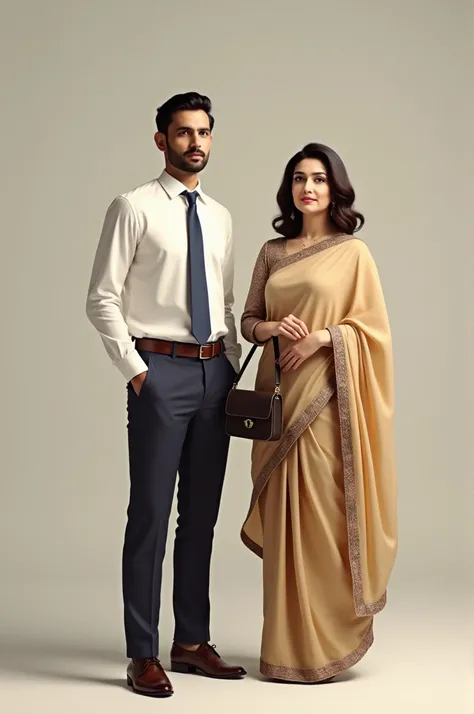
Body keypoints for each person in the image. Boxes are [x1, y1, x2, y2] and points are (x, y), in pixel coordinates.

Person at [86, 91, 246, 698]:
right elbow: (102, 295)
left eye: (203, 132)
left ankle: (191, 641)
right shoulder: (133, 207)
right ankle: (141, 652)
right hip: (159, 371)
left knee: (200, 516)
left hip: (213, 374)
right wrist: (135, 370)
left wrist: (228, 369)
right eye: (182, 133)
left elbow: (225, 304)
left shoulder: (221, 216)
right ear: (161, 140)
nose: (195, 143)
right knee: (150, 516)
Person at [240, 143, 397, 683]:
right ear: (289, 189)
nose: (308, 188)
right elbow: (249, 320)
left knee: (325, 521)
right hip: (279, 402)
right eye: (299, 179)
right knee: (287, 522)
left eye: (319, 179)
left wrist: (325, 338)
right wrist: (271, 330)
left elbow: (372, 328)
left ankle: (327, 639)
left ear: (335, 189)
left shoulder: (354, 253)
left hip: (329, 403)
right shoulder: (273, 251)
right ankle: (285, 647)